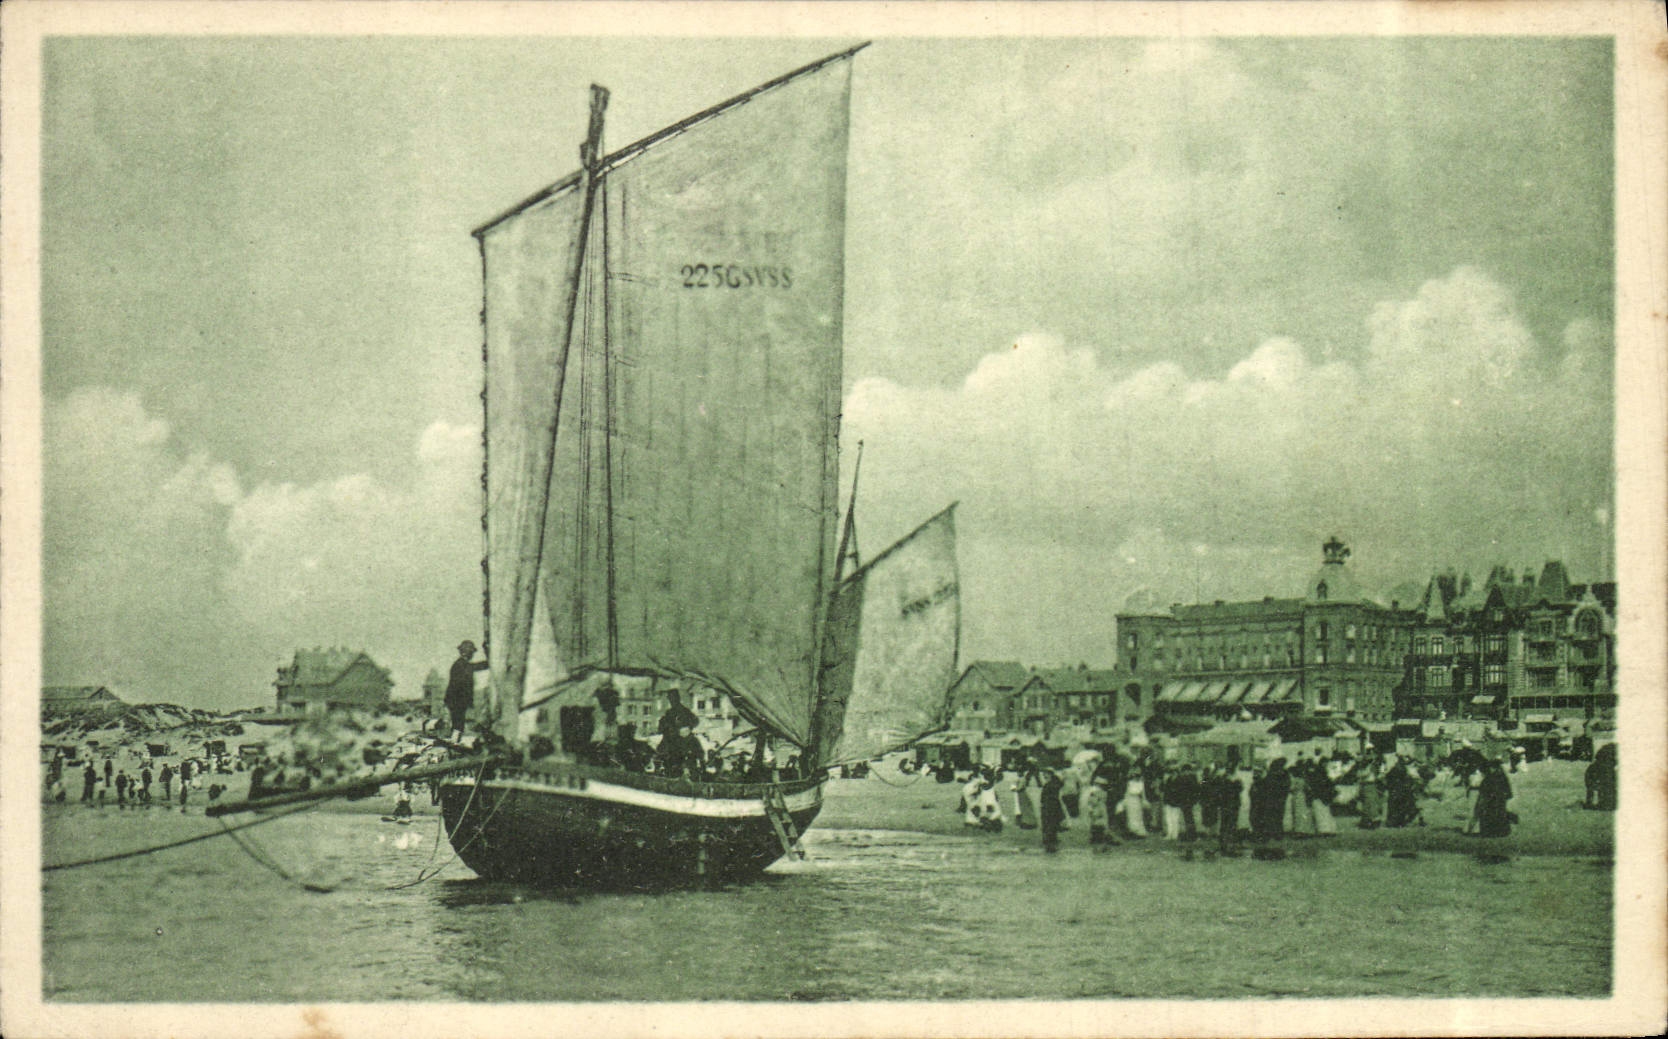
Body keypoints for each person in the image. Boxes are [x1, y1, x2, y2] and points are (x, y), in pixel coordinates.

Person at [446, 640, 490, 739]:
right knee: (458, 724)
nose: (472, 655)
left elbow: (482, 665)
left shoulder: (461, 664)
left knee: (458, 724)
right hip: (457, 699)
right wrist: (487, 651)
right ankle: (455, 742)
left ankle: (455, 740)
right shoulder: (461, 664)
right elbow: (481, 666)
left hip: (456, 699)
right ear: (466, 652)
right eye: (471, 652)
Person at [1474, 759, 1513, 837]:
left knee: (1493, 815)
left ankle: (1493, 832)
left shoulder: (1493, 776)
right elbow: (1507, 787)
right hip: (1496, 798)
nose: (1490, 769)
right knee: (1498, 814)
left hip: (1493, 799)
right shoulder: (1501, 775)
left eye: (1492, 767)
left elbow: (1483, 786)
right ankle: (1499, 832)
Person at [1040, 768, 1066, 853]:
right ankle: (1051, 840)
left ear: (1050, 774)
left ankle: (1049, 841)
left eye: (1045, 774)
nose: (1044, 775)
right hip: (1053, 806)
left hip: (1050, 806)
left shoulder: (1050, 784)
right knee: (1052, 823)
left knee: (1049, 823)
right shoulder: (1054, 783)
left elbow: (1045, 797)